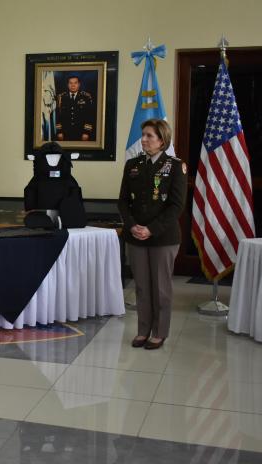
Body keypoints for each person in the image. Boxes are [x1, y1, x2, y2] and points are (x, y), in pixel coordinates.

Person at [118, 119, 186, 350]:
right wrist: (132, 225)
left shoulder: (175, 166)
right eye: (143, 135)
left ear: (162, 141)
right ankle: (143, 330)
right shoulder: (133, 165)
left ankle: (159, 332)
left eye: (149, 136)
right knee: (142, 287)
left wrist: (151, 229)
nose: (144, 140)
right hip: (136, 235)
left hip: (163, 237)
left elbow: (176, 206)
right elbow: (123, 201)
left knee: (161, 287)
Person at [55, 75, 95, 141]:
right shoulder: (61, 97)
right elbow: (58, 115)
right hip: (65, 132)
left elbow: (90, 116)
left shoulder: (86, 97)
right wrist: (59, 132)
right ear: (68, 85)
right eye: (70, 83)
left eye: (75, 83)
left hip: (81, 132)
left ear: (79, 84)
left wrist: (86, 132)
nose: (73, 85)